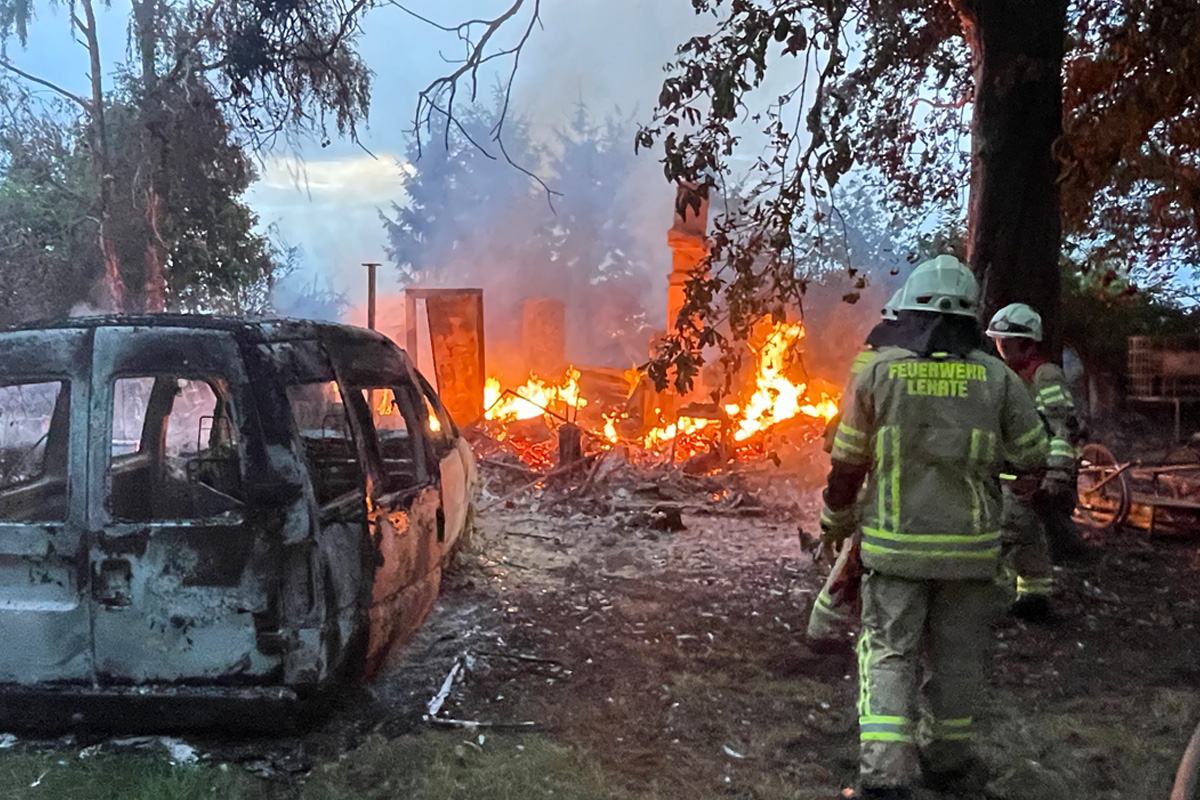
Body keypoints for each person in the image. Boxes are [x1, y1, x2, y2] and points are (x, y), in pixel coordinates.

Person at [819, 255, 1050, 800]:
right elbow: (1032, 456)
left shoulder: (877, 372)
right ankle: (947, 762)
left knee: (890, 654)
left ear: (908, 313)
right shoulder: (998, 378)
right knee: (958, 661)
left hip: (894, 551)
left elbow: (847, 463)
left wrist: (836, 517)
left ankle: (886, 775)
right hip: (970, 554)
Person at [986, 302, 1097, 621]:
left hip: (1037, 473)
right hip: (1018, 471)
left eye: (1007, 342)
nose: (1001, 347)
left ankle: (990, 602)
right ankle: (1035, 598)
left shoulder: (1045, 375)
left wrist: (1054, 476)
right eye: (998, 341)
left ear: (1027, 342)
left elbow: (1062, 428)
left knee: (1005, 533)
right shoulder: (1012, 376)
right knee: (1030, 539)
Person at [810, 290, 903, 647]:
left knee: (861, 541)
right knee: (859, 545)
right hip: (873, 461)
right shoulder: (882, 364)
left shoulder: (875, 359)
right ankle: (824, 624)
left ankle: (827, 620)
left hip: (867, 457)